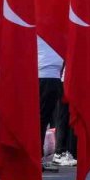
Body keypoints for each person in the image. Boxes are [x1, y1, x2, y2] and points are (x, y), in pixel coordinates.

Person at [37, 37, 64, 172]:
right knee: (40, 120)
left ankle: (37, 157)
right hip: (45, 75)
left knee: (43, 120)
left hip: (51, 75)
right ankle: (36, 158)